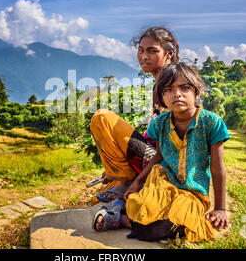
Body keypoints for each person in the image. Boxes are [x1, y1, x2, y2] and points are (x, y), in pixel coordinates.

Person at [93, 62, 230, 243]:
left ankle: (121, 219)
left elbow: (218, 168)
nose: (177, 94)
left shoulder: (212, 123)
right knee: (142, 209)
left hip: (192, 192)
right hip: (162, 184)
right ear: (162, 96)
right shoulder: (160, 123)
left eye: (185, 88)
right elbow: (158, 156)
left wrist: (220, 208)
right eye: (168, 89)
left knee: (180, 223)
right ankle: (122, 211)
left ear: (196, 91)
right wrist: (137, 182)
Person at [90, 27, 179, 203]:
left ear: (169, 53)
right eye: (141, 50)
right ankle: (122, 177)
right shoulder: (161, 83)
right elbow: (152, 133)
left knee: (102, 118)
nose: (144, 57)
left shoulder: (173, 83)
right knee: (99, 197)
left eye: (152, 51)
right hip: (158, 154)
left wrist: (133, 178)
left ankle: (127, 180)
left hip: (168, 161)